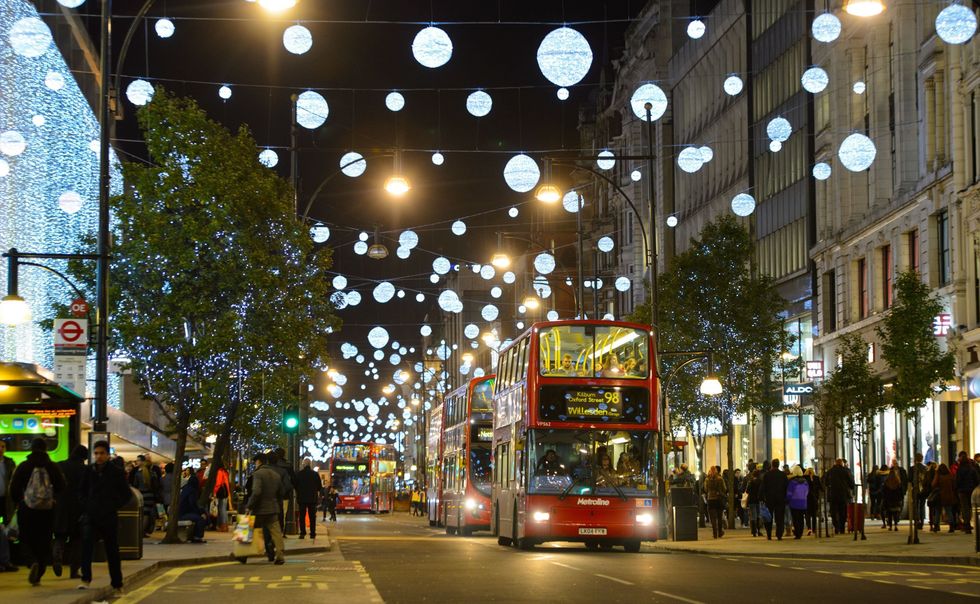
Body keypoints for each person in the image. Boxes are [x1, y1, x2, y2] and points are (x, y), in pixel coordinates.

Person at [10, 437, 66, 586]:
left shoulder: (24, 466)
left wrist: (19, 502)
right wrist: (53, 499)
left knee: (25, 538)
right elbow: (61, 486)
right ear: (46, 449)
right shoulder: (53, 467)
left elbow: (14, 488)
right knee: (44, 540)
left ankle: (31, 560)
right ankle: (40, 570)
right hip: (47, 511)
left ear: (32, 448)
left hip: (27, 509)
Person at [78, 441, 131, 591]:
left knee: (112, 550)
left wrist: (114, 505)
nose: (99, 456)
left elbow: (126, 494)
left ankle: (116, 583)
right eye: (96, 453)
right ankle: (85, 578)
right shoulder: (88, 471)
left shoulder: (116, 471)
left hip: (108, 516)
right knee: (87, 547)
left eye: (101, 453)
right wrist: (86, 505)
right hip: (91, 515)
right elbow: (81, 491)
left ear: (107, 455)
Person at [54, 444, 88, 579]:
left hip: (60, 506)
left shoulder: (59, 466)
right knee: (77, 540)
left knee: (60, 536)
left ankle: (57, 554)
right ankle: (74, 570)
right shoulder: (85, 470)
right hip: (78, 508)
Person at [245, 453, 285, 565]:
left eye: (255, 462)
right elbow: (281, 492)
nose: (255, 464)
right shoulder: (276, 475)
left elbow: (256, 492)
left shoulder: (258, 474)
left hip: (260, 509)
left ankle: (242, 554)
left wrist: (249, 506)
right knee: (276, 533)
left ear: (259, 461)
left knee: (247, 528)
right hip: (273, 508)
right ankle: (280, 556)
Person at [130, 455, 161, 536]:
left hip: (141, 495)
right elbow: (156, 485)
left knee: (143, 514)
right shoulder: (151, 473)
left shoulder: (138, 473)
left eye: (138, 460)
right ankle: (143, 531)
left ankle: (140, 532)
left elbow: (135, 485)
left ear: (142, 462)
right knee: (147, 514)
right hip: (150, 495)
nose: (137, 462)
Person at [294, 459, 322, 540]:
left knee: (302, 516)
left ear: (303, 464)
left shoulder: (299, 474)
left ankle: (302, 533)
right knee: (312, 516)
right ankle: (312, 533)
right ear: (310, 464)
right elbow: (319, 487)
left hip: (302, 498)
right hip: (312, 498)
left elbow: (295, 485)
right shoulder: (315, 474)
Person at [761, 458, 788, 540]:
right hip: (780, 498)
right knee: (780, 517)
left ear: (772, 465)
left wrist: (761, 497)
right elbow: (786, 487)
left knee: (768, 517)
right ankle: (779, 534)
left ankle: (769, 534)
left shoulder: (767, 475)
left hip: (769, 499)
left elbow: (763, 487)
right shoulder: (783, 475)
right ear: (778, 465)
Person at [824, 458, 853, 535]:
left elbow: (825, 482)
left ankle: (836, 526)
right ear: (842, 464)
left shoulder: (830, 471)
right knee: (842, 512)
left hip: (833, 495)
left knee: (834, 512)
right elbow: (851, 483)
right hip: (843, 495)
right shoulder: (846, 471)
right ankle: (842, 528)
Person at [0, 440, 17, 573]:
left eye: (3, 446)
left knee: (7, 531)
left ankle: (7, 560)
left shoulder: (9, 463)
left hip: (6, 500)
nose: (1, 449)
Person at [178, 471, 208, 543]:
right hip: (184, 514)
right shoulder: (192, 491)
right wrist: (200, 513)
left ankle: (194, 535)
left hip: (181, 512)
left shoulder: (185, 488)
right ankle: (197, 537)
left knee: (200, 517)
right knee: (201, 519)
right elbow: (192, 504)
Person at [955, 451, 979, 533]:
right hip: (971, 490)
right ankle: (968, 523)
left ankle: (966, 524)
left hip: (962, 491)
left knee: (964, 507)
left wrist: (957, 488)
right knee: (970, 507)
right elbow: (977, 479)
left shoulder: (959, 469)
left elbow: (957, 481)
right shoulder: (972, 468)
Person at [786, 465, 809, 539]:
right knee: (801, 519)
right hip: (803, 503)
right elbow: (807, 492)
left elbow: (789, 493)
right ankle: (800, 533)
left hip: (794, 503)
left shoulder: (793, 482)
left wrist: (787, 500)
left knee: (795, 519)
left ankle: (797, 533)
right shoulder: (805, 482)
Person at [933, 463, 958, 532]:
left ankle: (936, 526)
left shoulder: (938, 476)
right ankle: (951, 526)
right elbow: (954, 486)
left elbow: (933, 484)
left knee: (938, 511)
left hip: (939, 496)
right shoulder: (950, 476)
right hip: (949, 496)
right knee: (949, 511)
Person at [704, 466, 726, 538]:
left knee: (713, 518)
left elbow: (706, 489)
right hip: (719, 499)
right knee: (719, 517)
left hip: (711, 499)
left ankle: (715, 534)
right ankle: (720, 532)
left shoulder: (707, 480)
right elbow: (724, 488)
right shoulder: (720, 479)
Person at [882, 467, 904, 531]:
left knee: (889, 513)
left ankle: (890, 526)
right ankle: (896, 525)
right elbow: (901, 492)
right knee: (896, 513)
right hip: (896, 500)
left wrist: (885, 498)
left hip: (889, 500)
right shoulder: (898, 481)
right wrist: (901, 498)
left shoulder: (887, 482)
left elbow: (884, 491)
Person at [212, 462, 231, 532]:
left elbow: (218, 483)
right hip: (225, 492)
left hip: (220, 492)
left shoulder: (219, 471)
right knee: (223, 509)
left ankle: (222, 526)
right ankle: (225, 525)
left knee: (221, 509)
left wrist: (214, 492)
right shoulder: (225, 471)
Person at [745, 469, 763, 537]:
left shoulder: (750, 482)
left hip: (751, 500)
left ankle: (753, 531)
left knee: (753, 516)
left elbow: (747, 491)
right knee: (758, 515)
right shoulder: (761, 482)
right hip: (758, 500)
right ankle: (759, 531)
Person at [804, 467, 820, 536]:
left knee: (807, 514)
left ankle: (809, 528)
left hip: (806, 498)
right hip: (814, 499)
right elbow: (821, 487)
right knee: (814, 515)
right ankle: (814, 529)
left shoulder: (804, 478)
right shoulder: (816, 478)